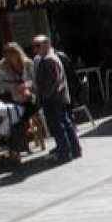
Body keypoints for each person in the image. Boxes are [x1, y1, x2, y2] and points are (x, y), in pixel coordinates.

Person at [32, 34, 82, 163]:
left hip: (53, 99)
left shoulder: (49, 60)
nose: (35, 49)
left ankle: (65, 152)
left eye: (38, 46)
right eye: (34, 46)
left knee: (58, 126)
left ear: (47, 45)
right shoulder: (50, 58)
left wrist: (43, 96)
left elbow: (52, 82)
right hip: (58, 98)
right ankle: (74, 149)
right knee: (65, 123)